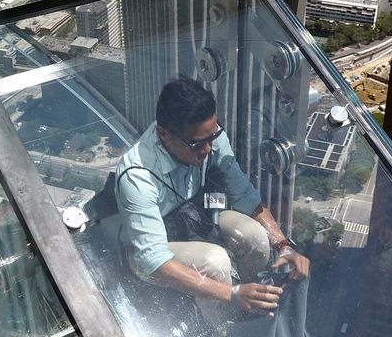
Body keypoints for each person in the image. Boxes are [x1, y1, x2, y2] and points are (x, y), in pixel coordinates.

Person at [115, 77, 309, 324]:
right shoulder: (136, 176)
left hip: (196, 217)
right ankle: (225, 336)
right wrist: (231, 294)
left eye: (212, 136)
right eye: (197, 143)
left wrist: (283, 245)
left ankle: (257, 307)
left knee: (256, 236)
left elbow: (244, 195)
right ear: (164, 134)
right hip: (154, 244)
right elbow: (151, 260)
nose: (207, 149)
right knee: (214, 262)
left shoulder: (207, 137)